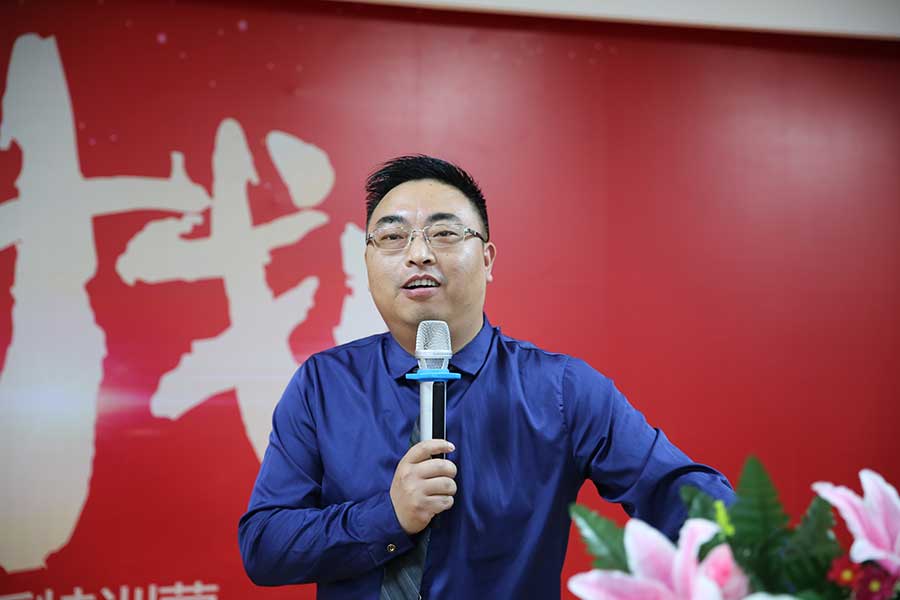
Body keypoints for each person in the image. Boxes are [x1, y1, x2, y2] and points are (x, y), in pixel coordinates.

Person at [238, 155, 735, 599]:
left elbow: (678, 492)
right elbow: (264, 546)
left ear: (488, 259)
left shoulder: (561, 390)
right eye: (392, 237)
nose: (418, 254)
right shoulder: (322, 385)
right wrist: (389, 516)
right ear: (368, 263)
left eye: (444, 234)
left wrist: (751, 548)